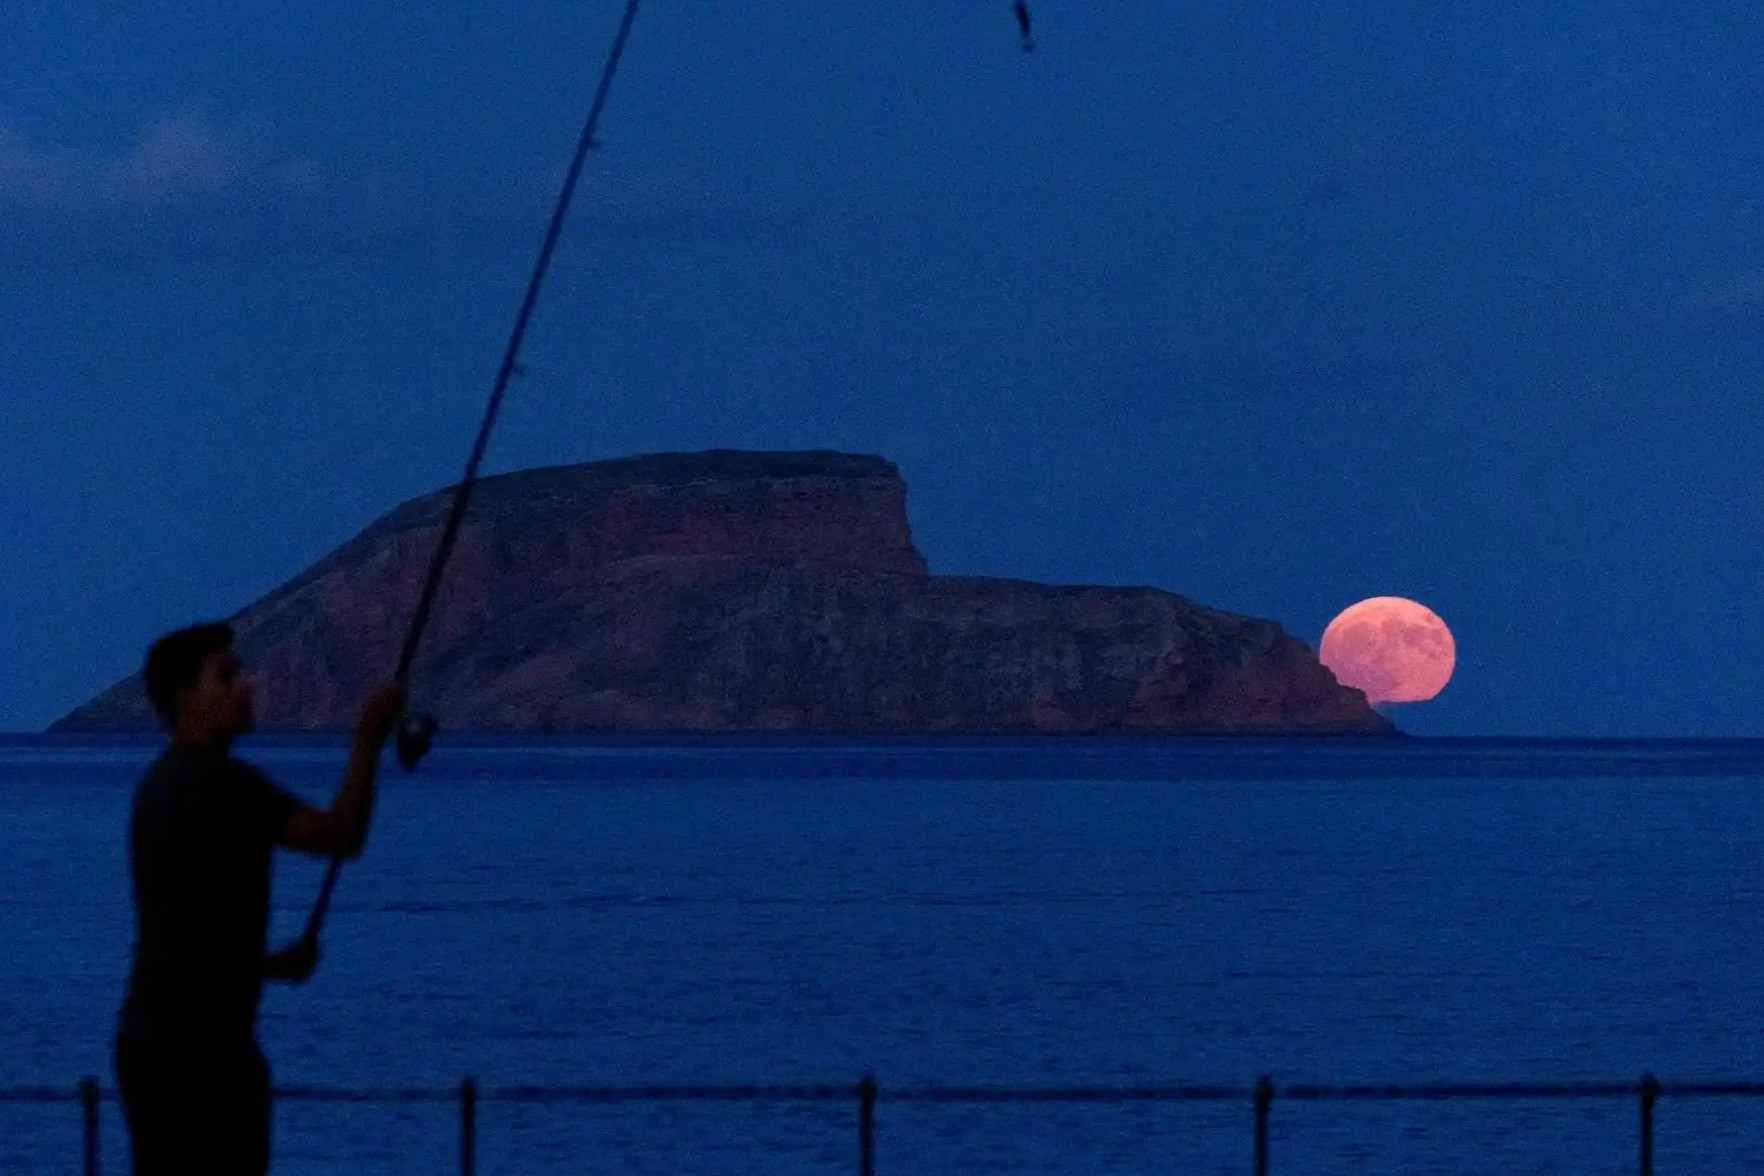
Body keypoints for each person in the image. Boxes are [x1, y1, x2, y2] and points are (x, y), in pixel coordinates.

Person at [113, 621, 405, 1175]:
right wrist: (367, 740)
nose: (246, 686)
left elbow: (184, 941)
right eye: (225, 676)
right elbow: (341, 835)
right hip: (206, 1055)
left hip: (148, 1043)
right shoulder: (224, 785)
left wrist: (266, 966)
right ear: (185, 696)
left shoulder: (156, 788)